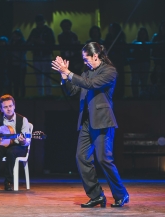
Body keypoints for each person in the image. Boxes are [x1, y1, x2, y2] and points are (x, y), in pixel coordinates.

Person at [51, 42, 129, 208]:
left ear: (95, 56)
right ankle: (96, 195)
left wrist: (69, 72)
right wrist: (64, 76)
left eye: (86, 58)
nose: (84, 62)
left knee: (104, 159)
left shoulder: (109, 71)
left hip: (102, 120)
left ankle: (121, 194)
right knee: (81, 157)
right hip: (86, 122)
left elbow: (91, 84)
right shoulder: (86, 73)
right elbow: (73, 90)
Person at [27, 14, 55, 96]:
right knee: (40, 77)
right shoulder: (35, 31)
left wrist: (42, 43)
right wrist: (34, 41)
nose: (39, 24)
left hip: (45, 56)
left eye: (40, 22)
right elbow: (28, 42)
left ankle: (47, 94)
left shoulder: (48, 31)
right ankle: (42, 95)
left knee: (47, 76)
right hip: (38, 56)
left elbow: (52, 43)